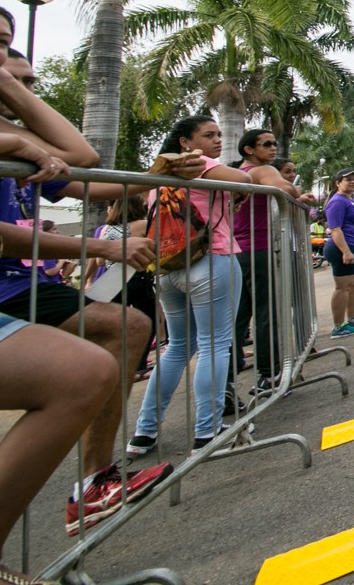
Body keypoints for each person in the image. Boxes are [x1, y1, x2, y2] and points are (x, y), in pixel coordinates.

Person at [0, 0, 149, 582]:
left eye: (3, 40)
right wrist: (10, 144)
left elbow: (79, 156)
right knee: (81, 368)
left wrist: (9, 86)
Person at [0, 50, 175, 534]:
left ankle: (92, 482)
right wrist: (102, 250)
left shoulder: (9, 141)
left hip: (15, 285)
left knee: (121, 332)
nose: (15, 91)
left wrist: (157, 174)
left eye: (25, 82)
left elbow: (87, 173)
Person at [127, 114, 253, 457]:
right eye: (208, 135)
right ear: (185, 142)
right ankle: (206, 431)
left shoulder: (160, 177)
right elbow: (242, 177)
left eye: (217, 134)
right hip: (212, 260)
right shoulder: (199, 165)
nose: (217, 141)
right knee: (215, 344)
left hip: (168, 267)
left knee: (177, 347)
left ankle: (144, 431)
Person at [232, 130, 315, 395]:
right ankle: (270, 375)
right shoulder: (259, 170)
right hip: (258, 249)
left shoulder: (239, 174)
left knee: (239, 317)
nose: (273, 148)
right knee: (267, 313)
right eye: (266, 144)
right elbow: (285, 188)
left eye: (274, 143)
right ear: (248, 149)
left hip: (238, 251)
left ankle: (228, 379)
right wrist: (295, 192)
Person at [324, 170, 354, 338]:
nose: (352, 182)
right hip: (343, 247)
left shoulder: (350, 200)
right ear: (337, 183)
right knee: (343, 287)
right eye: (347, 180)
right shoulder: (336, 201)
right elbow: (335, 229)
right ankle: (338, 327)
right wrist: (345, 251)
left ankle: (352, 318)